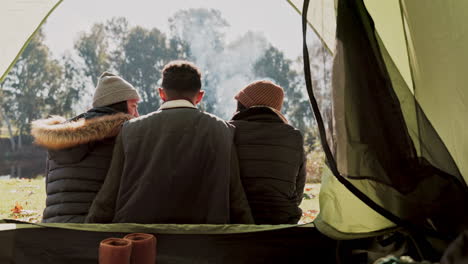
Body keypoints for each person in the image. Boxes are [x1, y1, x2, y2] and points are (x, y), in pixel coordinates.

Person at [86, 60, 253, 224]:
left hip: (141, 241)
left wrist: (85, 235)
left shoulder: (130, 130)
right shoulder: (222, 130)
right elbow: (236, 199)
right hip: (204, 244)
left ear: (161, 93)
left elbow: (108, 197)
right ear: (200, 96)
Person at [31, 72, 141, 223]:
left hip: (52, 227)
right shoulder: (122, 134)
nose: (137, 114)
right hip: (93, 230)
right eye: (133, 106)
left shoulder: (57, 139)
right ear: (119, 105)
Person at [230, 80, 306, 224]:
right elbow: (298, 192)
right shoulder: (293, 136)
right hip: (282, 220)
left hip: (236, 221)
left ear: (244, 105)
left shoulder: (228, 131)